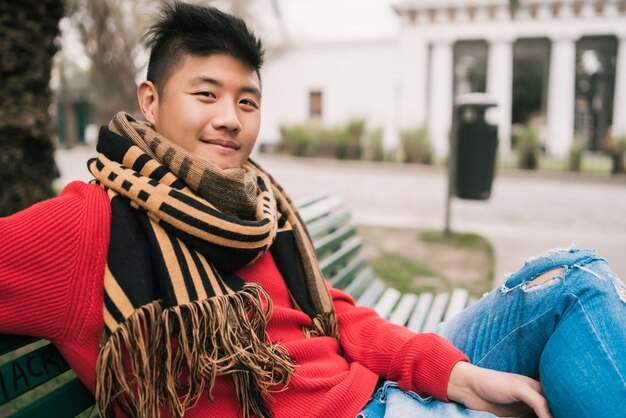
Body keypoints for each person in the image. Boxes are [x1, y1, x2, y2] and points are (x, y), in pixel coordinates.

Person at [0, 2, 624, 417]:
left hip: (377, 386)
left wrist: (454, 375)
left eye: (247, 101)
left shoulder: (251, 207)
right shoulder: (90, 225)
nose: (229, 118)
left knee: (578, 280)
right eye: (205, 94)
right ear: (151, 100)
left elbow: (333, 317)